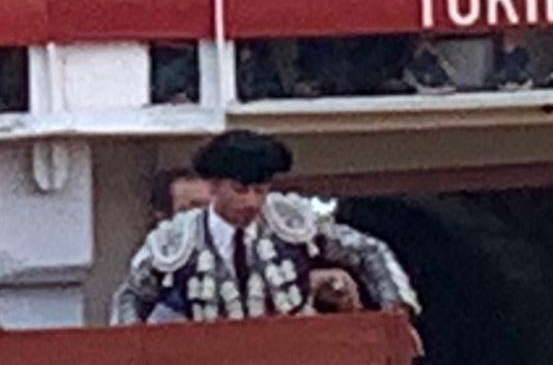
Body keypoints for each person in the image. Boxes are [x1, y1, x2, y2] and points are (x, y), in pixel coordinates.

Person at [112, 130, 420, 326]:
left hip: (297, 361)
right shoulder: (176, 240)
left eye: (261, 190)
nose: (252, 202)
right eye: (241, 190)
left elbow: (368, 251)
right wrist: (130, 352)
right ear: (214, 187)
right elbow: (132, 295)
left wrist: (396, 315)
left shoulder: (291, 222)